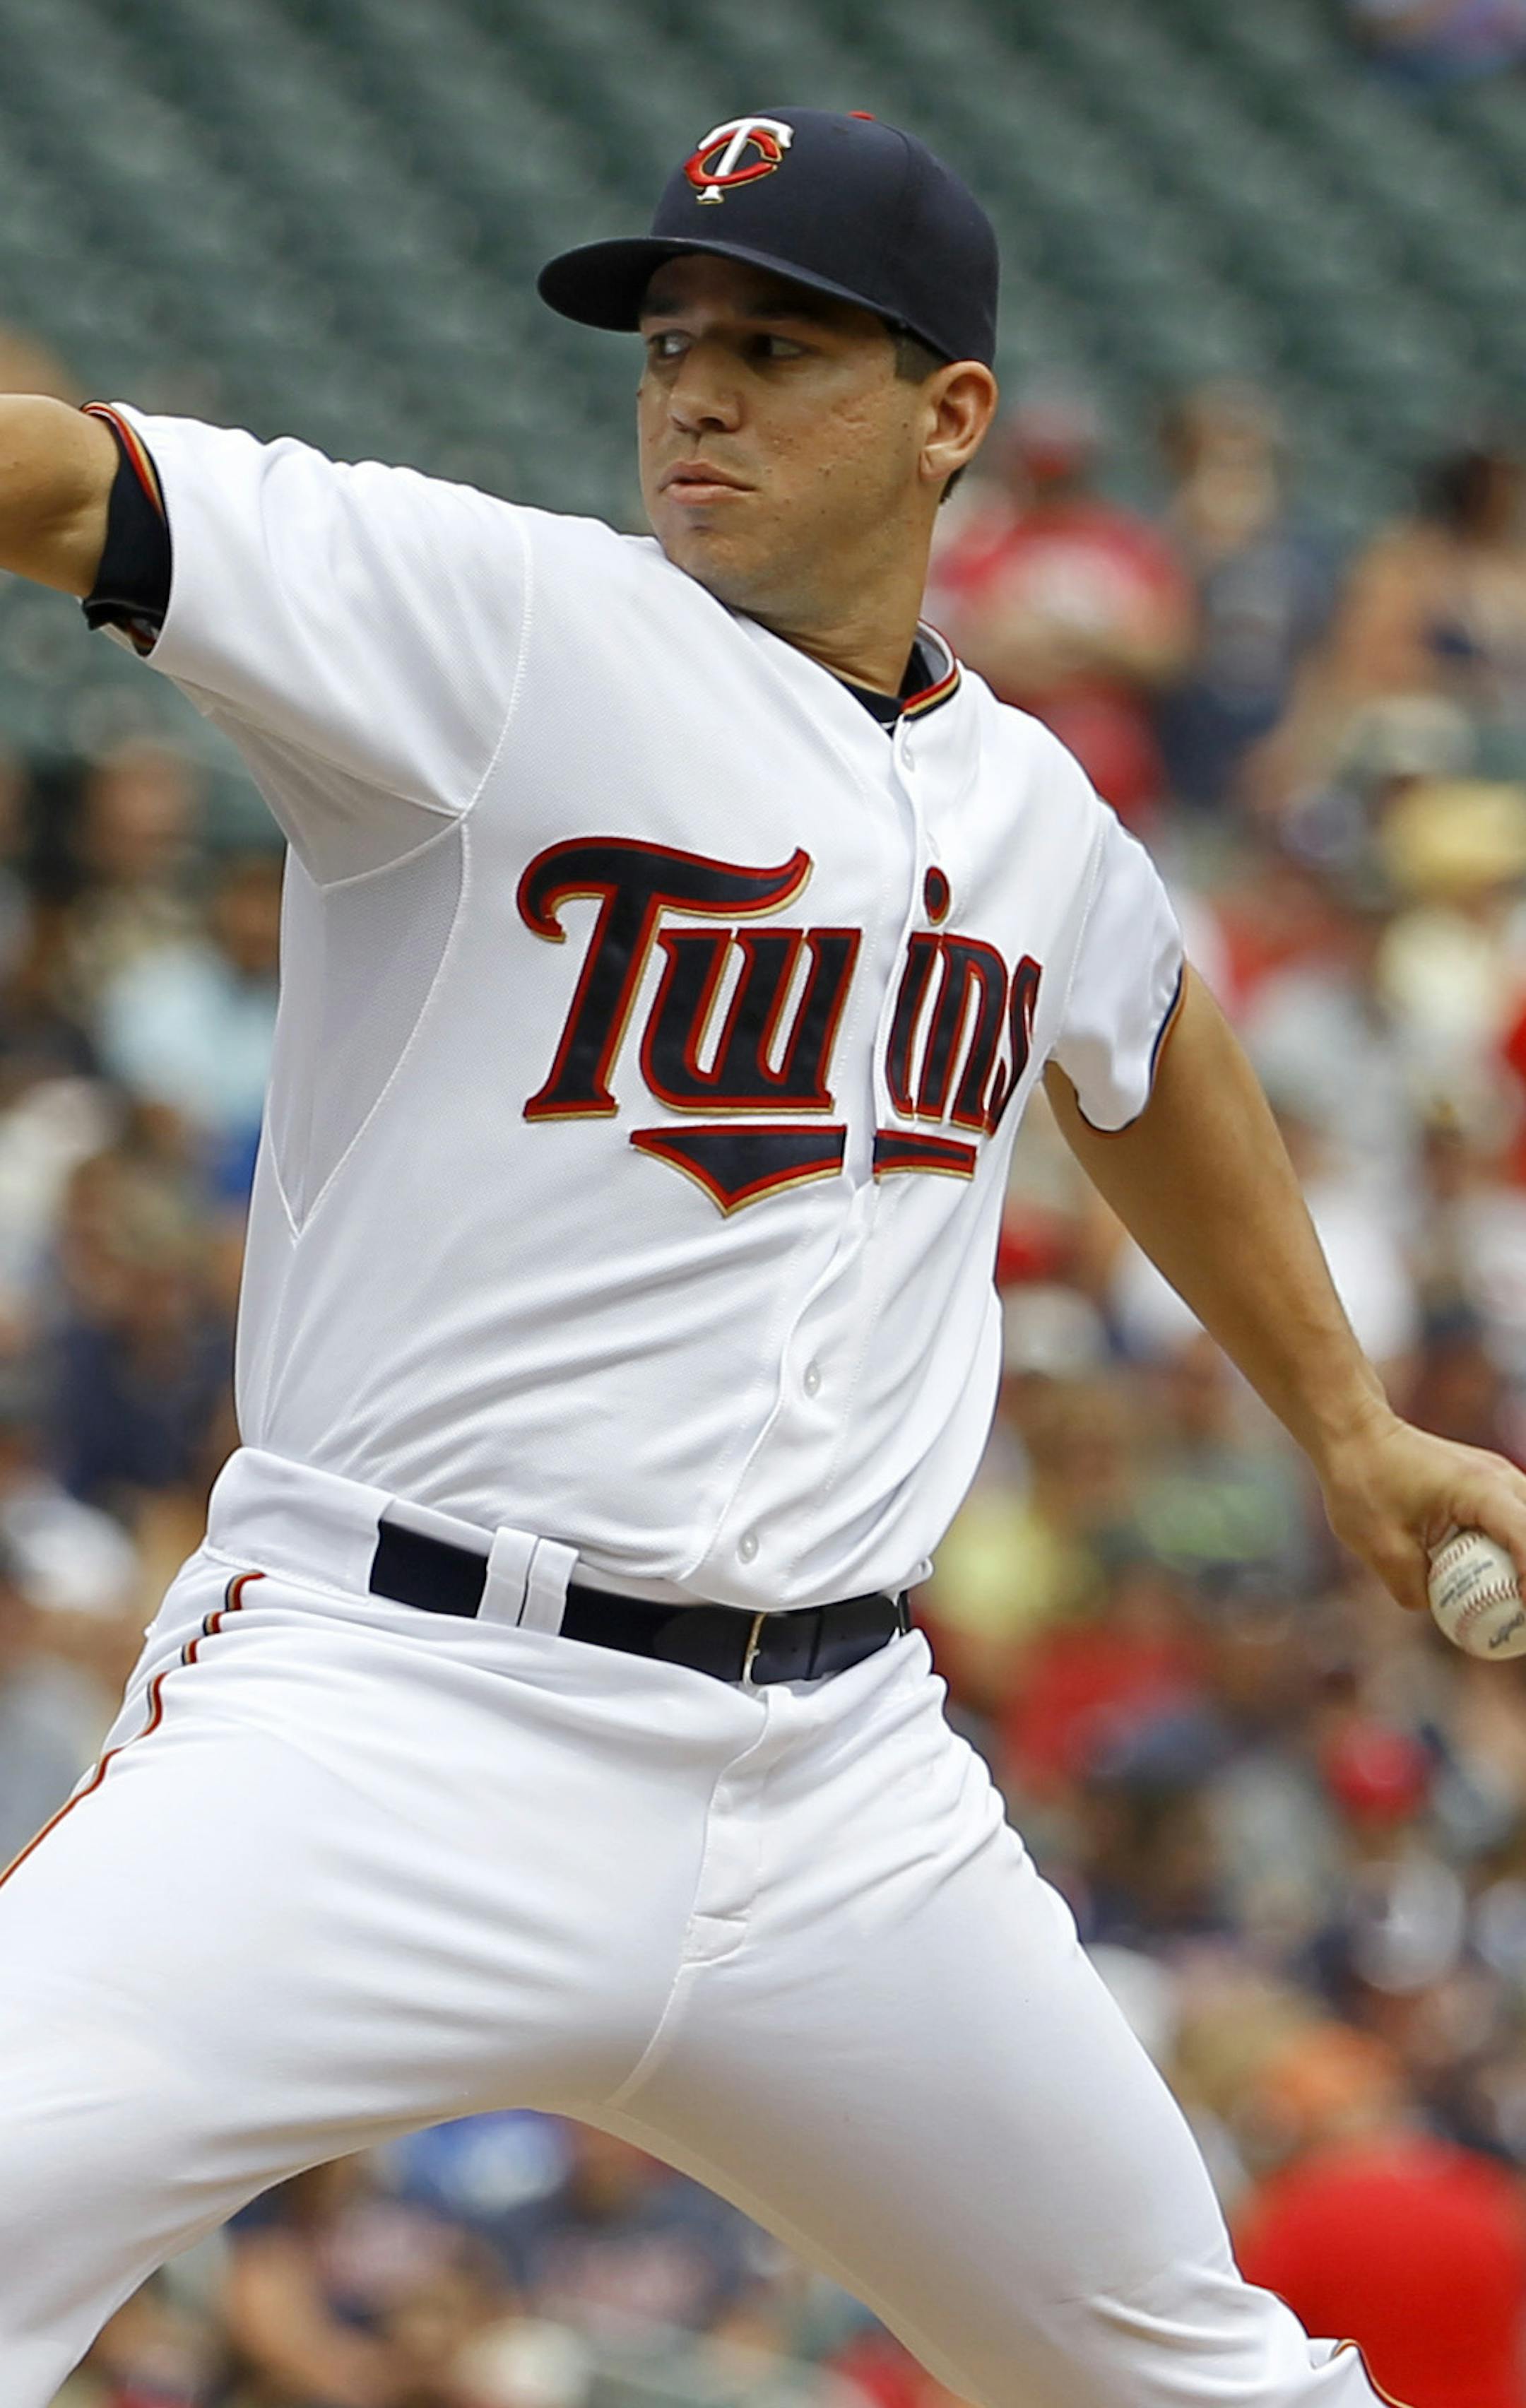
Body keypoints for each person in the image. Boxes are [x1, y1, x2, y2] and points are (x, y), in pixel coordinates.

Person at [0, 104, 1524, 2408]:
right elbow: (60, 491)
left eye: (777, 344)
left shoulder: (1026, 803)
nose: (693, 389)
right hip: (393, 1705)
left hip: (839, 1789)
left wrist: (1348, 1422)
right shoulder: (494, 623)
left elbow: (1148, 1035)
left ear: (952, 420)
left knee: (1214, 2385)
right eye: (671, 341)